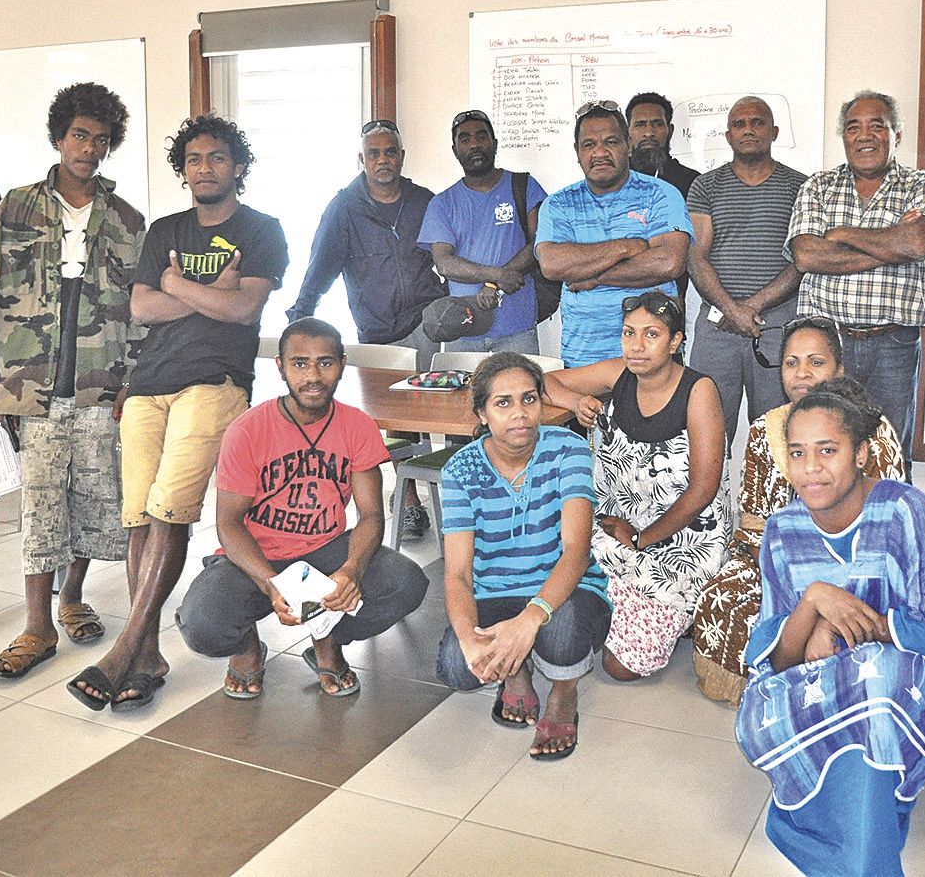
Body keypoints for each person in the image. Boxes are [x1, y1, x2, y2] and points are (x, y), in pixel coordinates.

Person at [69, 115, 288, 711]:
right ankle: (149, 655)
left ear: (237, 166)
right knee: (140, 518)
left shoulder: (264, 230)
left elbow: (243, 313)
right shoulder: (165, 227)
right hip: (147, 386)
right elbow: (140, 307)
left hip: (213, 385)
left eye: (217, 158)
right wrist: (206, 292)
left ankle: (128, 648)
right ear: (182, 169)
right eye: (193, 160)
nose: (204, 169)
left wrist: (178, 284)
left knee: (169, 511)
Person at [736, 378, 925, 877]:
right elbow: (777, 660)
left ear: (862, 453)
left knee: (876, 683)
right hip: (822, 676)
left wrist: (844, 629)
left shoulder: (913, 512)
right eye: (797, 453)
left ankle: (866, 859)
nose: (810, 469)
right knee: (771, 701)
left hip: (909, 673)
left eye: (828, 451)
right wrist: (815, 601)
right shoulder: (782, 530)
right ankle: (852, 838)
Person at [0, 83, 145, 679]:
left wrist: (132, 385)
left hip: (99, 384)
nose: (89, 149)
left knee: (93, 499)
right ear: (59, 138)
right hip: (29, 383)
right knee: (39, 504)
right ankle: (36, 624)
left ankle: (72, 598)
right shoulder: (14, 208)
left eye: (101, 140)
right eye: (79, 136)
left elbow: (141, 311)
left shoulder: (125, 221)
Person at [175, 318, 429, 698]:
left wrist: (351, 570)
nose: (313, 376)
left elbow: (372, 516)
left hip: (327, 551)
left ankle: (327, 639)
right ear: (280, 366)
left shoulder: (357, 425)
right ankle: (246, 648)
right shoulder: (247, 430)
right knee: (203, 623)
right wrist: (271, 583)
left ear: (342, 364)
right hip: (258, 554)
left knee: (406, 583)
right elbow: (228, 524)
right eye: (300, 363)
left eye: (325, 363)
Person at [691, 319, 905, 704]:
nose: (802, 373)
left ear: (838, 370)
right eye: (791, 363)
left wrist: (824, 602)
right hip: (779, 565)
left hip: (859, 568)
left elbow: (886, 538)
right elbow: (755, 528)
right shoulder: (764, 429)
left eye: (815, 362)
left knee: (860, 616)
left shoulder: (873, 432)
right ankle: (771, 690)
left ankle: (839, 690)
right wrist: (796, 587)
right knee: (721, 596)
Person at [436, 352, 611, 761]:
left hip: (566, 586)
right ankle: (515, 674)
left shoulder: (568, 449)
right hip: (494, 591)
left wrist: (530, 619)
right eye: (503, 403)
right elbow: (459, 573)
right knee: (457, 666)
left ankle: (564, 695)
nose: (520, 414)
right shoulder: (460, 471)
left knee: (562, 631)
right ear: (481, 414)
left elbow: (576, 551)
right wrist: (469, 639)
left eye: (529, 399)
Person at [545, 290, 727, 679]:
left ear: (676, 341)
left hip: (681, 540)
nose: (637, 346)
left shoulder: (699, 392)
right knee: (552, 564)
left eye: (652, 334)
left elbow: (702, 492)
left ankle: (668, 612)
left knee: (620, 668)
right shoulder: (619, 374)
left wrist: (643, 539)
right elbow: (545, 382)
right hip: (615, 526)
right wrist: (577, 401)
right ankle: (630, 610)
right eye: (629, 333)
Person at [788, 91, 925, 471]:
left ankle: (888, 530)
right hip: (828, 344)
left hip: (893, 344)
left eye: (878, 125)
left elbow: (918, 241)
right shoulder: (818, 186)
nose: (865, 136)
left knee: (888, 454)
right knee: (821, 453)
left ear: (897, 135)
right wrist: (888, 244)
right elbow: (807, 255)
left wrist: (840, 233)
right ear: (843, 137)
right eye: (853, 127)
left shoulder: (922, 186)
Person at [535, 102, 693, 367]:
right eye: (589, 144)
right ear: (577, 152)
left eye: (610, 142)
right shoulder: (559, 203)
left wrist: (593, 276)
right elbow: (552, 265)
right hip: (583, 356)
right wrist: (627, 247)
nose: (600, 152)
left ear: (629, 145)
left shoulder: (661, 194)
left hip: (653, 356)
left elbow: (669, 262)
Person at [686, 96, 806, 437]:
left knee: (777, 434)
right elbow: (695, 255)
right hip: (716, 326)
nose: (748, 130)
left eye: (757, 122)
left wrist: (752, 307)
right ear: (728, 136)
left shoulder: (800, 187)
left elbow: (802, 260)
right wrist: (730, 308)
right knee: (706, 432)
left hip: (777, 326)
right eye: (739, 124)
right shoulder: (705, 186)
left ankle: (774, 495)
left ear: (774, 131)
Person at [289, 118, 446, 367]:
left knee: (428, 404)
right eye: (373, 153)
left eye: (390, 152)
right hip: (376, 337)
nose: (382, 160)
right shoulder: (344, 208)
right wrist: (299, 322)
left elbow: (450, 256)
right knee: (382, 406)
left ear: (402, 156)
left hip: (425, 329)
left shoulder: (425, 201)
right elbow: (320, 270)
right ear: (362, 160)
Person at [416, 109, 546, 354]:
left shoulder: (524, 185)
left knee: (523, 391)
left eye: (481, 136)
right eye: (464, 139)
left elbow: (540, 244)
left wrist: (492, 284)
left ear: (494, 143)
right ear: (455, 150)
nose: (474, 144)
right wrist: (497, 276)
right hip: (462, 331)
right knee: (462, 394)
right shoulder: (443, 203)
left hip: (517, 331)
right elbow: (444, 264)